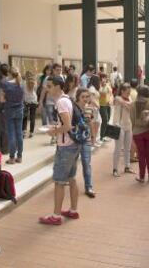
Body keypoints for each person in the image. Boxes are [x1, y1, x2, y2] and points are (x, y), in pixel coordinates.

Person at [39, 76, 80, 225]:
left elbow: (67, 126)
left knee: (59, 181)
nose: (47, 89)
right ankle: (73, 210)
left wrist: (53, 131)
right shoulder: (67, 99)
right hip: (73, 144)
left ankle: (56, 216)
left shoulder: (61, 102)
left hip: (66, 147)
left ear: (58, 86)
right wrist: (56, 128)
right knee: (71, 178)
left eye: (49, 86)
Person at [130, 86, 149, 183]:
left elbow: (132, 120)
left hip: (137, 132)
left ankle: (141, 177)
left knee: (141, 155)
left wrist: (134, 130)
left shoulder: (133, 104)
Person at [0, 67, 24, 164]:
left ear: (9, 74)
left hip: (9, 111)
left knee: (11, 134)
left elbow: (1, 100)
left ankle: (12, 158)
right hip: (20, 110)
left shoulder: (5, 84)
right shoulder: (21, 84)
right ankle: (20, 157)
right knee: (19, 133)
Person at [75, 87, 96, 198]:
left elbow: (90, 122)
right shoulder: (74, 108)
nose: (85, 99)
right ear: (78, 97)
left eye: (87, 97)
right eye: (83, 97)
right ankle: (68, 181)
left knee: (86, 164)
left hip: (86, 140)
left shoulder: (89, 109)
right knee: (72, 164)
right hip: (74, 140)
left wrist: (93, 136)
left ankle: (89, 187)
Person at [112, 83, 135, 177]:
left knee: (127, 148)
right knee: (118, 148)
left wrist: (130, 104)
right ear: (122, 91)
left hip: (128, 125)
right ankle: (115, 169)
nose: (129, 94)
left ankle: (127, 166)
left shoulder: (129, 99)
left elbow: (131, 108)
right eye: (127, 92)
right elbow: (129, 106)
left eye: (130, 92)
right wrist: (131, 105)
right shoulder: (117, 98)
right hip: (119, 125)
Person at [22, 71, 38, 139]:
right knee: (32, 117)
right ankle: (31, 132)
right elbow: (35, 91)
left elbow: (22, 92)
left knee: (25, 117)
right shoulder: (35, 83)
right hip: (34, 101)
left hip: (26, 101)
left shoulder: (23, 83)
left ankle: (24, 132)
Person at [88, 75, 102, 147]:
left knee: (97, 123)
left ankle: (94, 140)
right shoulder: (92, 88)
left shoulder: (93, 88)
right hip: (93, 108)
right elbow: (91, 98)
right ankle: (93, 141)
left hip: (95, 108)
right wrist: (97, 105)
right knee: (94, 124)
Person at [99, 73, 113, 142]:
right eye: (103, 78)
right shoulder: (99, 85)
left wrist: (111, 99)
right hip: (102, 105)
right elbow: (102, 93)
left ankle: (105, 135)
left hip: (108, 104)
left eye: (105, 77)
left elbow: (111, 93)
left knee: (108, 119)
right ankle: (102, 136)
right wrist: (103, 86)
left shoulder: (108, 84)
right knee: (105, 120)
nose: (104, 79)